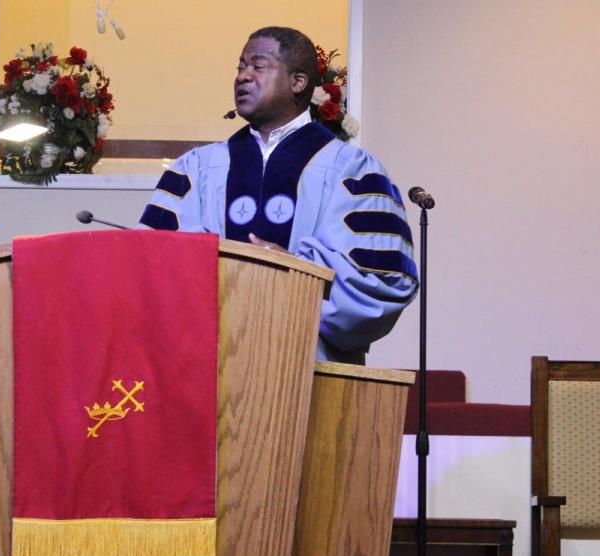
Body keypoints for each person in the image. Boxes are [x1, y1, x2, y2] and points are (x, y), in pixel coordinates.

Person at [140, 26, 418, 364]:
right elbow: (152, 263)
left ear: (298, 82)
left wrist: (294, 271)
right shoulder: (198, 168)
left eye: (258, 67)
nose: (242, 76)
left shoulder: (351, 169)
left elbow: (382, 281)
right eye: (240, 66)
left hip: (309, 371)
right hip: (207, 366)